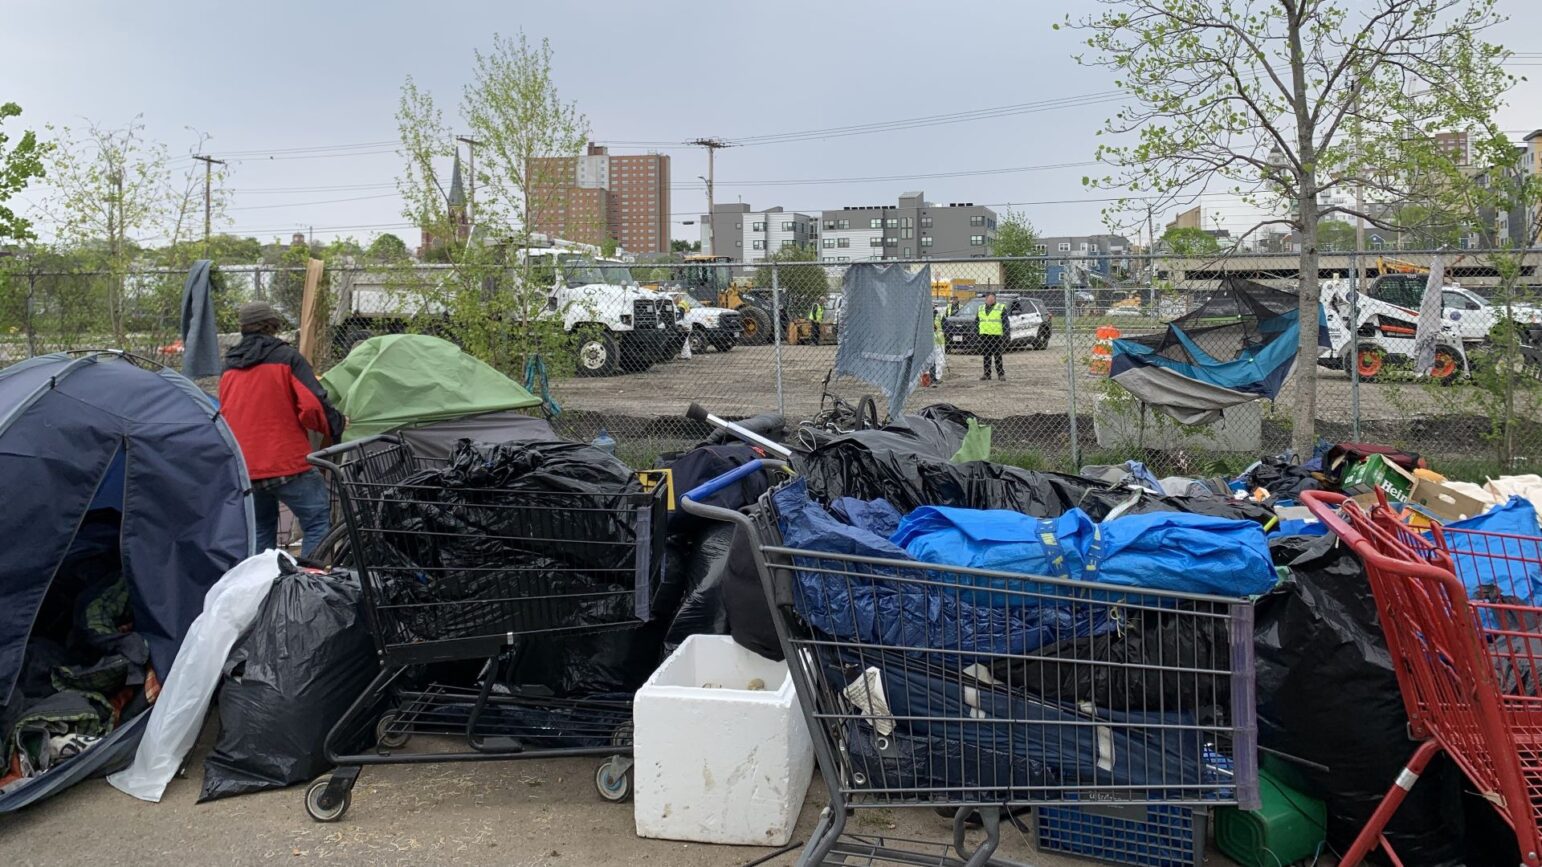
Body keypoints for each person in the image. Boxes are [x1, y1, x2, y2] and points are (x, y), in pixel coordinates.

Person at [220, 301, 345, 558]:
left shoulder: (229, 366)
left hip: (245, 468)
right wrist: (336, 425)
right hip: (287, 462)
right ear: (272, 326)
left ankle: (263, 589)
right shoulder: (287, 358)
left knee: (262, 529)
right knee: (317, 522)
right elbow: (312, 407)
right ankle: (306, 587)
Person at [977, 291, 1008, 381]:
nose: (990, 300)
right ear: (985, 299)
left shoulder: (1000, 308)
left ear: (995, 299)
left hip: (996, 336)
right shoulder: (981, 308)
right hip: (984, 335)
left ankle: (1000, 374)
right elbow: (977, 321)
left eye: (992, 299)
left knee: (998, 355)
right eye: (988, 299)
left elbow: (1005, 323)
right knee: (986, 355)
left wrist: (1006, 335)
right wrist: (976, 333)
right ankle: (987, 374)